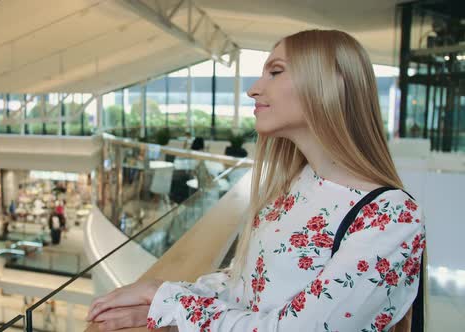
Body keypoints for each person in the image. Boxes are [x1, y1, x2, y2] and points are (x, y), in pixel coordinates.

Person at [84, 30, 426, 332]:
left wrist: (167, 300)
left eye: (275, 72)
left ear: (331, 82)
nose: (253, 90)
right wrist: (164, 300)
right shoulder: (297, 182)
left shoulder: (392, 217)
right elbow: (246, 286)